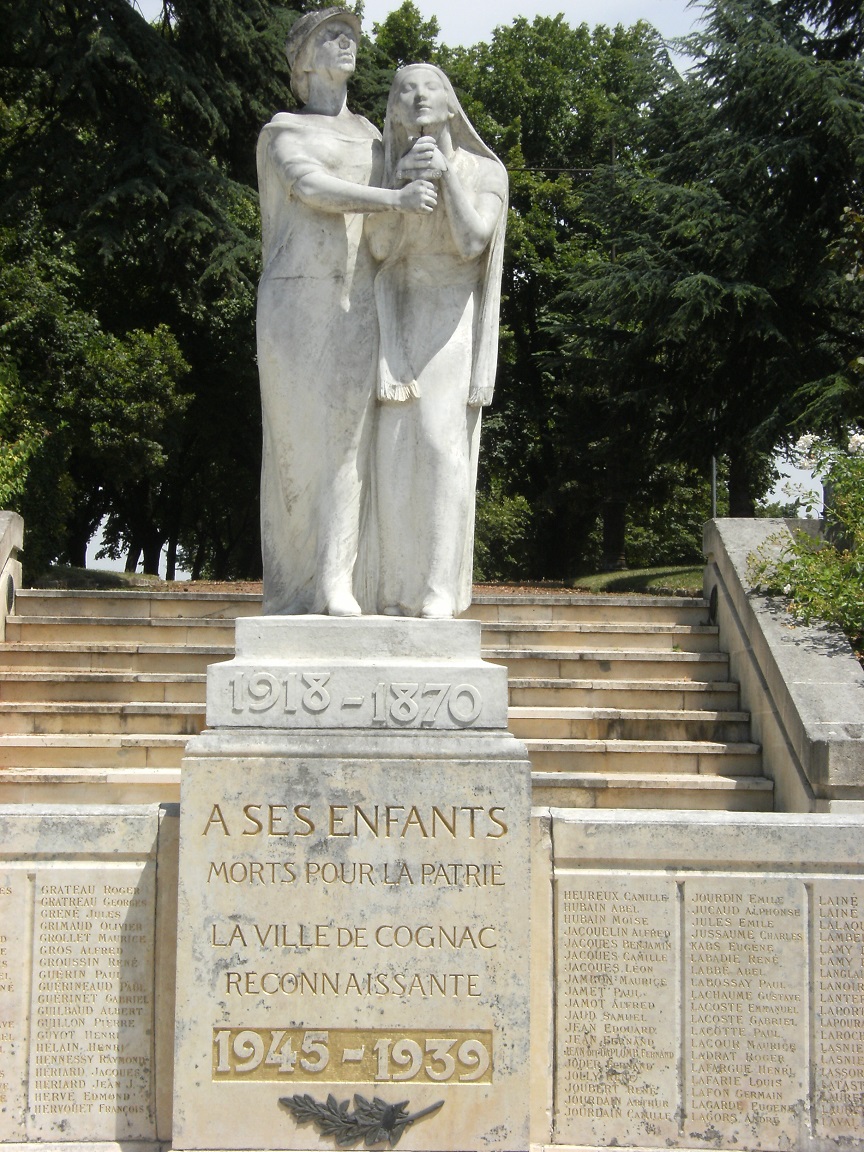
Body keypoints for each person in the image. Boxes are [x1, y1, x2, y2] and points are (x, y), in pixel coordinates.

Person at [256, 9, 437, 616]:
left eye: (353, 36)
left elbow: (396, 225)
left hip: (356, 298)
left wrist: (419, 170)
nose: (347, 43)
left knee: (346, 447)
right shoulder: (282, 130)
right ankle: (291, 584)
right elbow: (309, 189)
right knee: (294, 451)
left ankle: (336, 584)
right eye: (332, 36)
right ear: (304, 60)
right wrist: (394, 195)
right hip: (293, 299)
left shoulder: (373, 136)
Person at [367, 64, 508, 618]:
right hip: (397, 308)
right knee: (392, 451)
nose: (418, 95)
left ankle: (438, 586)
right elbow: (377, 248)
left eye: (431, 87)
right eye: (405, 89)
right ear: (394, 109)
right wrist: (399, 184)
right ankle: (397, 587)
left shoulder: (484, 170)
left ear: (452, 105)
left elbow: (475, 240)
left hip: (450, 313)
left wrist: (447, 176)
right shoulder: (388, 169)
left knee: (439, 445)